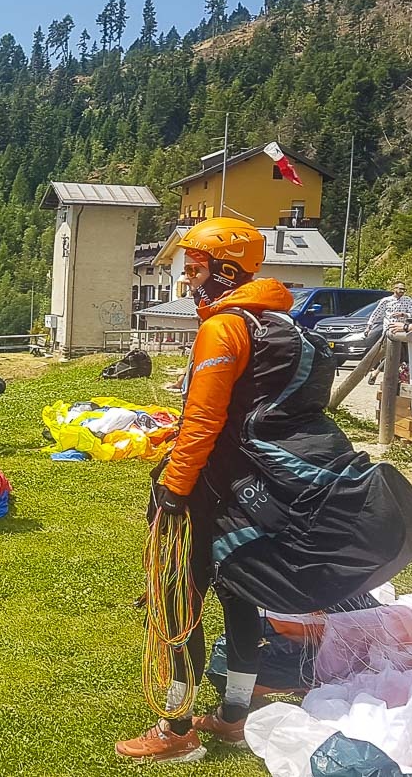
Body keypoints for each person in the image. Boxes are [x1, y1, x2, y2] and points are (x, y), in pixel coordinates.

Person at [115, 217, 291, 764]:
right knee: (239, 595)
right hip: (251, 487)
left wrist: (174, 486)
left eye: (195, 267)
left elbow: (205, 421)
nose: (187, 278)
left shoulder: (223, 329)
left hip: (204, 487)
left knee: (177, 597)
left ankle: (176, 728)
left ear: (227, 271)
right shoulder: (276, 324)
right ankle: (234, 717)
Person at [366, 281, 412, 384]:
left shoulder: (407, 300)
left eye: (404, 289)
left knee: (400, 356)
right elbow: (376, 314)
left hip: (402, 332)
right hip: (389, 331)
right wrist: (369, 327)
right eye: (400, 289)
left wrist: (403, 314)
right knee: (391, 354)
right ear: (394, 289)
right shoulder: (386, 300)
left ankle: (381, 374)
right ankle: (377, 373)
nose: (402, 291)